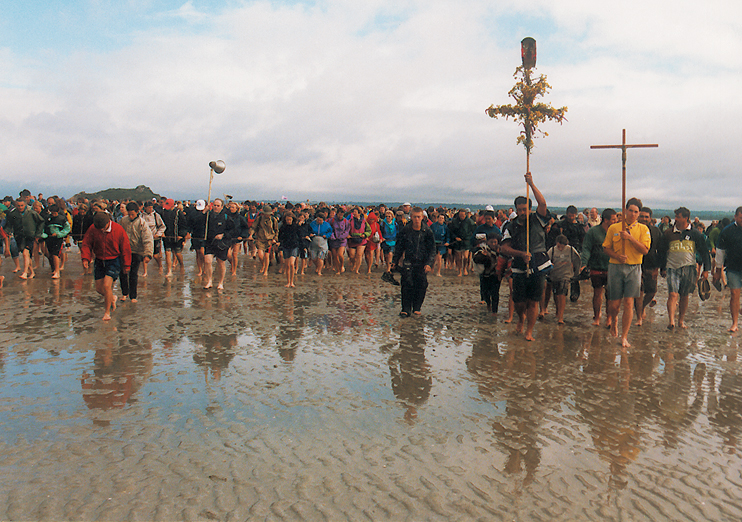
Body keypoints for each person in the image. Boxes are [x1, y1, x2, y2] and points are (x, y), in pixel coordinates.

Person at [498, 173, 551, 340]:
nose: (522, 212)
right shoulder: (511, 226)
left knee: (534, 301)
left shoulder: (538, 219)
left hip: (539, 264)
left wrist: (532, 184)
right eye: (519, 209)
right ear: (515, 210)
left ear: (529, 208)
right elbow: (504, 248)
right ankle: (520, 317)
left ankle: (529, 331)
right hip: (519, 265)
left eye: (525, 209)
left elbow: (542, 203)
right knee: (520, 302)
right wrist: (520, 254)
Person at [602, 197, 651, 348]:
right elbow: (606, 248)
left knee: (629, 302)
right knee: (614, 304)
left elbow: (645, 250)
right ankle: (614, 320)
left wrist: (629, 238)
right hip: (616, 267)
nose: (633, 214)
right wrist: (617, 256)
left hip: (634, 267)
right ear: (625, 210)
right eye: (630, 211)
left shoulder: (643, 229)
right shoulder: (614, 228)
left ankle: (624, 336)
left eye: (636, 212)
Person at [80, 212, 132, 321]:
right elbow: (86, 243)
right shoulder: (93, 228)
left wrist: (127, 264)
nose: (101, 230)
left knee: (107, 285)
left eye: (103, 228)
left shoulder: (118, 229)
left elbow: (125, 247)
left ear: (108, 222)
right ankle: (111, 297)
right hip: (99, 260)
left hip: (114, 260)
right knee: (99, 288)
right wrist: (86, 258)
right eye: (99, 229)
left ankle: (107, 312)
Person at [391, 207, 436, 317]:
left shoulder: (427, 231)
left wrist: (429, 264)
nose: (416, 219)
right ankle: (405, 308)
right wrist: (394, 261)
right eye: (414, 217)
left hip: (422, 262)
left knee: (421, 285)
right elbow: (399, 247)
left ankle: (417, 307)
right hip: (409, 261)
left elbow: (432, 249)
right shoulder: (405, 230)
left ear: (422, 217)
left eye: (418, 217)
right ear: (411, 217)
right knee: (406, 284)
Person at [581, 208, 617, 327]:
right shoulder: (593, 232)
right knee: (597, 292)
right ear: (606, 220)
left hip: (612, 266)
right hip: (596, 266)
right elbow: (586, 248)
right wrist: (584, 263)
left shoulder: (616, 232)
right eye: (613, 219)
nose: (615, 221)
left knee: (610, 294)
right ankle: (597, 317)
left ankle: (609, 318)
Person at [714, 206, 742, 332]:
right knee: (734, 294)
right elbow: (720, 251)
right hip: (733, 267)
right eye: (741, 218)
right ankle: (735, 323)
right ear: (735, 217)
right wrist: (718, 270)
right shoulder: (727, 231)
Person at [119, 202, 154, 302]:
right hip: (124, 251)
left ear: (137, 212)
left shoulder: (142, 223)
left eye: (132, 214)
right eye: (129, 214)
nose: (130, 216)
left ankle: (133, 296)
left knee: (133, 274)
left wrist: (148, 254)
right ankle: (124, 293)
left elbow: (148, 239)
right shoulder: (123, 220)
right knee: (123, 273)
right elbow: (119, 234)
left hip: (137, 251)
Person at [635, 207, 662, 326]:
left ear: (650, 218)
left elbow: (661, 250)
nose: (644, 219)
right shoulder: (633, 229)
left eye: (646, 217)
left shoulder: (656, 231)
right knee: (639, 292)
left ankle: (641, 308)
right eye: (642, 216)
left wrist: (659, 268)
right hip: (636, 264)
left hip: (651, 264)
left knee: (652, 292)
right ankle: (639, 317)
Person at [546, 235, 581, 324]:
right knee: (556, 294)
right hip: (554, 275)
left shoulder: (571, 250)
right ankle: (558, 311)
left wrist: (576, 274)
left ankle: (560, 317)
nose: (560, 248)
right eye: (559, 246)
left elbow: (577, 261)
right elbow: (546, 261)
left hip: (566, 275)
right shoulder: (552, 250)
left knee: (562, 294)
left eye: (562, 247)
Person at [203, 199, 234, 290]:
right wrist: (204, 212)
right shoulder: (208, 215)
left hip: (221, 243)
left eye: (218, 206)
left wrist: (223, 235)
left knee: (221, 263)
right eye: (214, 205)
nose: (216, 207)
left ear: (222, 207)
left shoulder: (226, 217)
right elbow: (197, 223)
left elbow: (233, 230)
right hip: (209, 242)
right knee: (207, 261)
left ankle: (221, 282)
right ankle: (209, 281)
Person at [472, 233, 501, 313]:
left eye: (495, 242)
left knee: (495, 293)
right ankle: (488, 304)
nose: (493, 244)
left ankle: (494, 311)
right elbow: (475, 258)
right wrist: (483, 256)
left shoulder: (500, 250)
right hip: (485, 275)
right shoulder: (483, 249)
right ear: (487, 242)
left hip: (496, 274)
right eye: (491, 242)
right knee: (486, 293)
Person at [161, 198, 188, 278]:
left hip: (177, 236)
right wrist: (161, 232)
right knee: (167, 252)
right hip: (167, 236)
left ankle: (181, 265)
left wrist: (181, 235)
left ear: (173, 205)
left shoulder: (178, 213)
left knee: (177, 253)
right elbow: (161, 224)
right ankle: (169, 271)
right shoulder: (163, 212)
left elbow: (184, 225)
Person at [42, 204, 71, 279]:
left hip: (58, 239)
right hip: (49, 238)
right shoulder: (47, 218)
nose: (53, 214)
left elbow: (67, 229)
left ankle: (57, 272)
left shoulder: (62, 219)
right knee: (50, 254)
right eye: (52, 213)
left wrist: (59, 234)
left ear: (58, 211)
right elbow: (43, 228)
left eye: (55, 213)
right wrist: (44, 235)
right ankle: (54, 270)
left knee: (55, 254)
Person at [249, 205, 278, 276]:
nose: (267, 215)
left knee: (266, 255)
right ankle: (263, 265)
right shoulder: (259, 219)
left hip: (269, 240)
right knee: (260, 255)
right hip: (260, 239)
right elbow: (253, 227)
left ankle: (265, 270)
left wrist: (275, 239)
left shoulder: (273, 220)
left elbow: (276, 230)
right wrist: (250, 235)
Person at [141, 201, 166, 276]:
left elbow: (162, 226)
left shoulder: (156, 215)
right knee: (145, 255)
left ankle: (160, 266)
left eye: (151, 207)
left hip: (154, 238)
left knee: (155, 255)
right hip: (145, 238)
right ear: (145, 208)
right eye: (149, 207)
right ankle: (145, 272)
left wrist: (158, 234)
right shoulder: (141, 216)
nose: (150, 209)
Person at [448, 208, 476, 276]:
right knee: (459, 258)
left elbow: (474, 230)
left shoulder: (469, 221)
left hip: (466, 241)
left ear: (465, 215)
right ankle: (460, 270)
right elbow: (451, 231)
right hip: (457, 241)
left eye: (463, 215)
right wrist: (455, 237)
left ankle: (465, 268)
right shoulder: (455, 221)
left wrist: (472, 239)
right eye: (460, 215)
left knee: (466, 257)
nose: (461, 217)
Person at [309, 211, 333, 276]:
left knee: (320, 258)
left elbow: (330, 232)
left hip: (323, 243)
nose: (319, 221)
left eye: (320, 220)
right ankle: (318, 266)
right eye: (318, 220)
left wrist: (326, 235)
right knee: (314, 258)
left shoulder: (327, 225)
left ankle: (319, 270)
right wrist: (310, 234)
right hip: (314, 243)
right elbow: (309, 230)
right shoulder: (312, 224)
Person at [430, 213, 449, 277]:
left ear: (444, 220)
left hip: (442, 244)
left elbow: (447, 236)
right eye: (440, 218)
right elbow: (430, 234)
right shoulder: (433, 225)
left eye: (442, 218)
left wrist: (447, 242)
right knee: (434, 258)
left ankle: (438, 272)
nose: (441, 219)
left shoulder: (445, 227)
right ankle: (432, 268)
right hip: (434, 243)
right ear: (437, 218)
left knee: (439, 258)